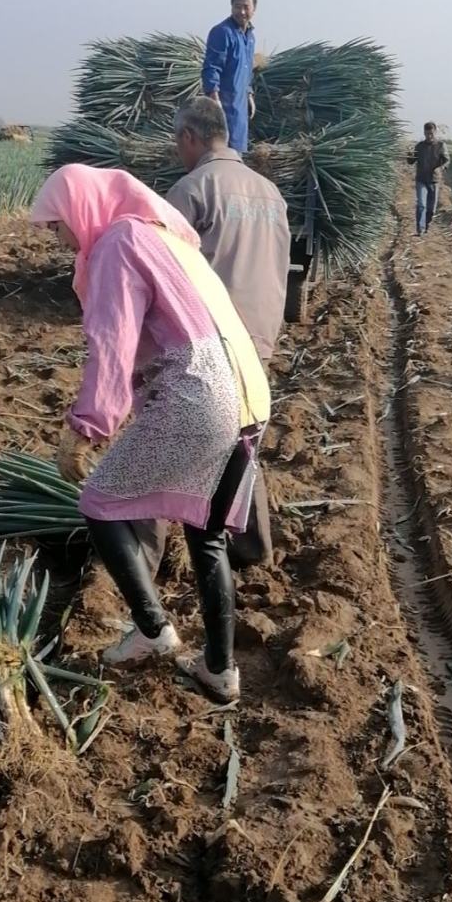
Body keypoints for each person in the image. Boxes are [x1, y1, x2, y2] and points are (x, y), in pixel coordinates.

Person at [30, 164, 270, 704]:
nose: (57, 237)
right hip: (247, 392)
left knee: (97, 502)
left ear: (81, 208)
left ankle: (154, 630)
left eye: (56, 224)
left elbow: (111, 341)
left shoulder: (119, 242)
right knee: (206, 535)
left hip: (197, 395)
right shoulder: (166, 237)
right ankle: (220, 670)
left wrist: (86, 427)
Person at [137, 95, 290, 574]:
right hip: (260, 333)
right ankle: (252, 547)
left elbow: (162, 270)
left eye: (177, 141)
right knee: (241, 438)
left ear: (190, 137)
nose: (177, 150)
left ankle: (144, 558)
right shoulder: (270, 191)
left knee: (165, 439)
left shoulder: (192, 189)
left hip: (212, 339)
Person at [202, 0, 257, 153]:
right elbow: (212, 67)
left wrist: (249, 93)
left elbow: (247, 70)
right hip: (223, 106)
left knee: (238, 153)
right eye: (237, 7)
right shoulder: (222, 32)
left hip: (239, 107)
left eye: (246, 7)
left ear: (254, 9)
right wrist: (214, 97)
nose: (241, 11)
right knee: (222, 153)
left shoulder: (250, 37)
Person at [408, 122, 450, 235]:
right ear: (424, 133)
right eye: (427, 133)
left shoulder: (441, 146)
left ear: (435, 132)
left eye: (431, 133)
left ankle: (426, 225)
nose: (429, 136)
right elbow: (411, 161)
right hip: (421, 179)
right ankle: (420, 229)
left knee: (431, 209)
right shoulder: (419, 146)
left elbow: (447, 160)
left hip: (434, 180)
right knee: (422, 204)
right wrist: (409, 153)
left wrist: (440, 168)